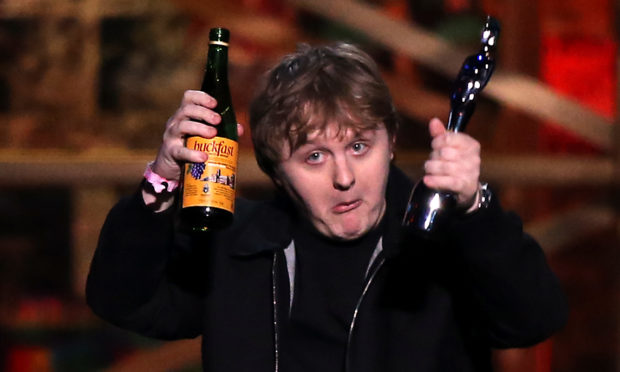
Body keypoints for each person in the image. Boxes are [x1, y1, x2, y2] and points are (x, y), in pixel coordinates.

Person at [86, 42, 567, 372]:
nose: (343, 177)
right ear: (278, 171)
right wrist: (161, 182)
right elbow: (121, 299)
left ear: (392, 141)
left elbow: (533, 319)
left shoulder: (443, 242)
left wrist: (476, 210)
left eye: (359, 147)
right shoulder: (237, 248)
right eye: (314, 156)